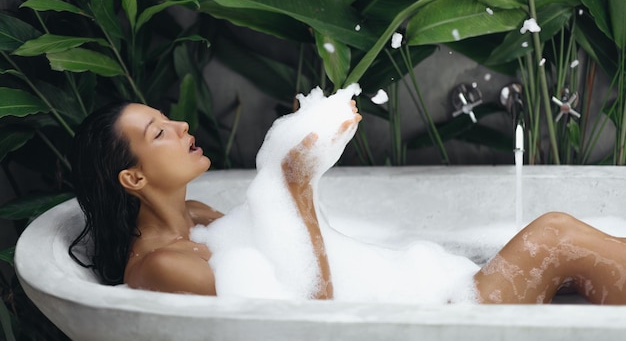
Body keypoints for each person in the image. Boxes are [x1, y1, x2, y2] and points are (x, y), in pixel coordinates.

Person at [70, 100, 626, 304]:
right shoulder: (162, 266)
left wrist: (301, 160)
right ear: (133, 178)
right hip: (427, 322)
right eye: (159, 132)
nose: (181, 124)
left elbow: (303, 247)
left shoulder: (200, 221)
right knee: (555, 235)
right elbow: (312, 314)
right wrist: (296, 186)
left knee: (568, 246)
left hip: (419, 294)